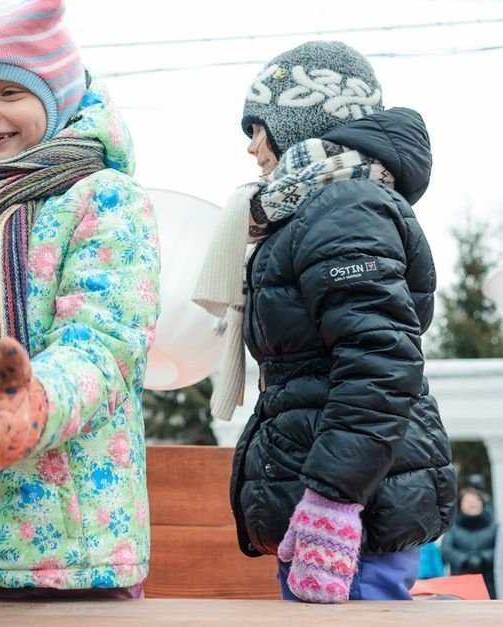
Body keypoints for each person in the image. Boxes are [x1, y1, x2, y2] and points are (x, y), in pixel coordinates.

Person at [0, 0, 160, 599]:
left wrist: (31, 404)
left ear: (58, 98)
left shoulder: (105, 200)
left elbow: (105, 343)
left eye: (9, 93)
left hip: (68, 553)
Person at [193, 40, 456, 603]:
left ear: (300, 122)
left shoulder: (344, 208)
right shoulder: (313, 210)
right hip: (338, 498)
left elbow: (380, 362)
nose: (251, 149)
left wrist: (333, 500)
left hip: (356, 512)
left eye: (257, 128)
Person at [441, 487, 498, 598]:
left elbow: (499, 548)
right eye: (467, 500)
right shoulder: (452, 528)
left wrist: (484, 558)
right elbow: (446, 549)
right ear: (460, 505)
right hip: (460, 579)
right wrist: (464, 560)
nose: (472, 503)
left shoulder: (495, 527)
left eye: (476, 499)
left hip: (490, 580)